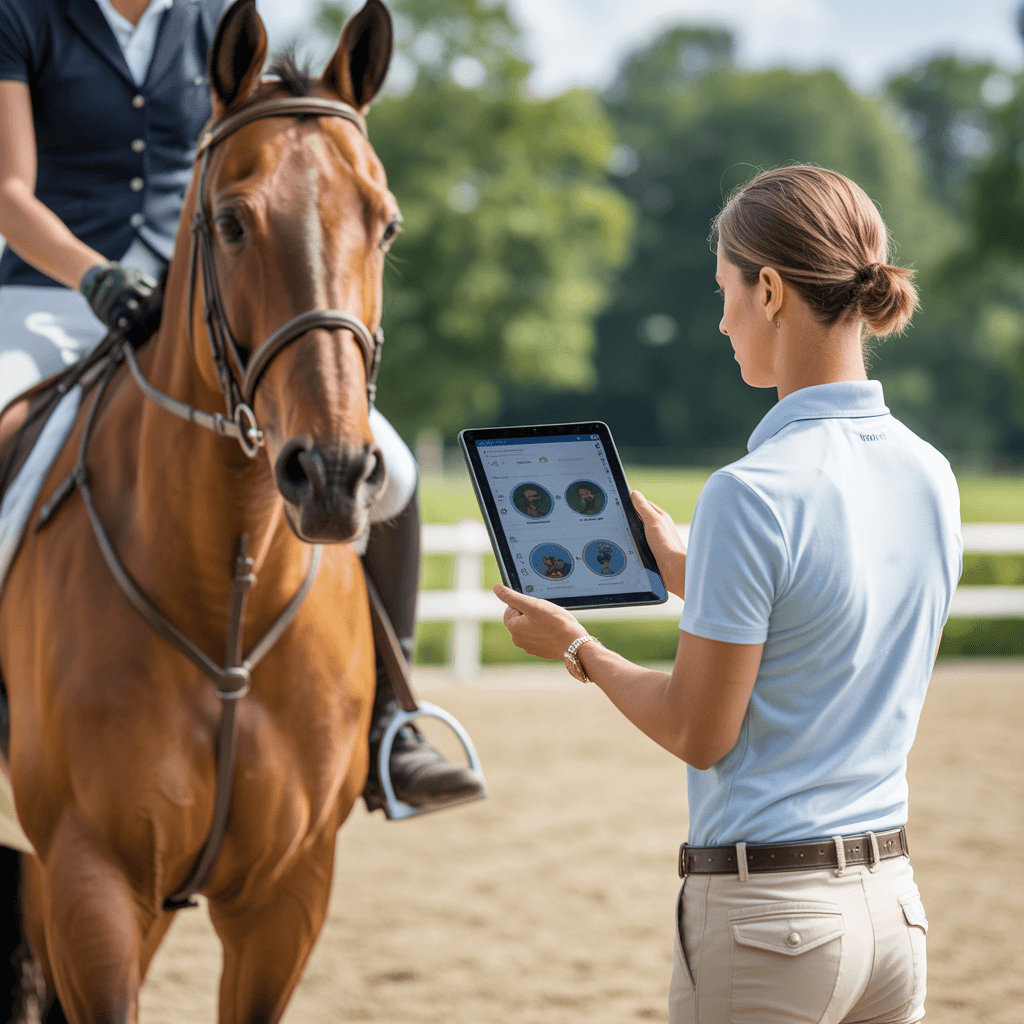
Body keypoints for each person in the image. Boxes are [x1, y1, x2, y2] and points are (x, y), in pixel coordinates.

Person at [495, 165, 962, 1023]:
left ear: (772, 289)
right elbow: (828, 618)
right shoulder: (929, 472)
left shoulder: (753, 491)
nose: (721, 320)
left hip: (771, 924)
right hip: (892, 909)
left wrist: (577, 647)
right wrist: (687, 566)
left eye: (726, 291)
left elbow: (697, 731)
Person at [0, 0, 482, 816]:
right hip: (55, 287)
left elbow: (270, 151)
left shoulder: (214, 19)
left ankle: (394, 721)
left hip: (210, 289)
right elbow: (10, 190)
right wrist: (97, 277)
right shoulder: (25, 18)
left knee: (392, 472)